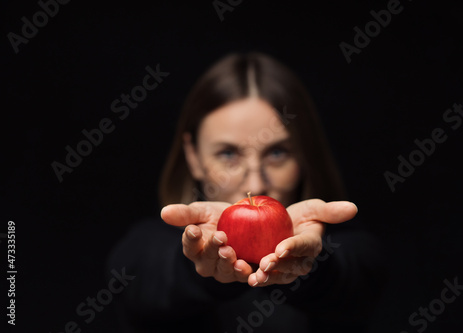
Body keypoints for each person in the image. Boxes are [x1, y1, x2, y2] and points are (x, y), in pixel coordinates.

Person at [107, 52, 387, 332]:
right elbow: (139, 281)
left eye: (277, 152)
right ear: (193, 156)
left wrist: (308, 266)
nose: (255, 183)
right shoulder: (148, 248)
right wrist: (201, 264)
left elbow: (359, 285)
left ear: (304, 155)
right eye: (228, 153)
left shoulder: (351, 250)